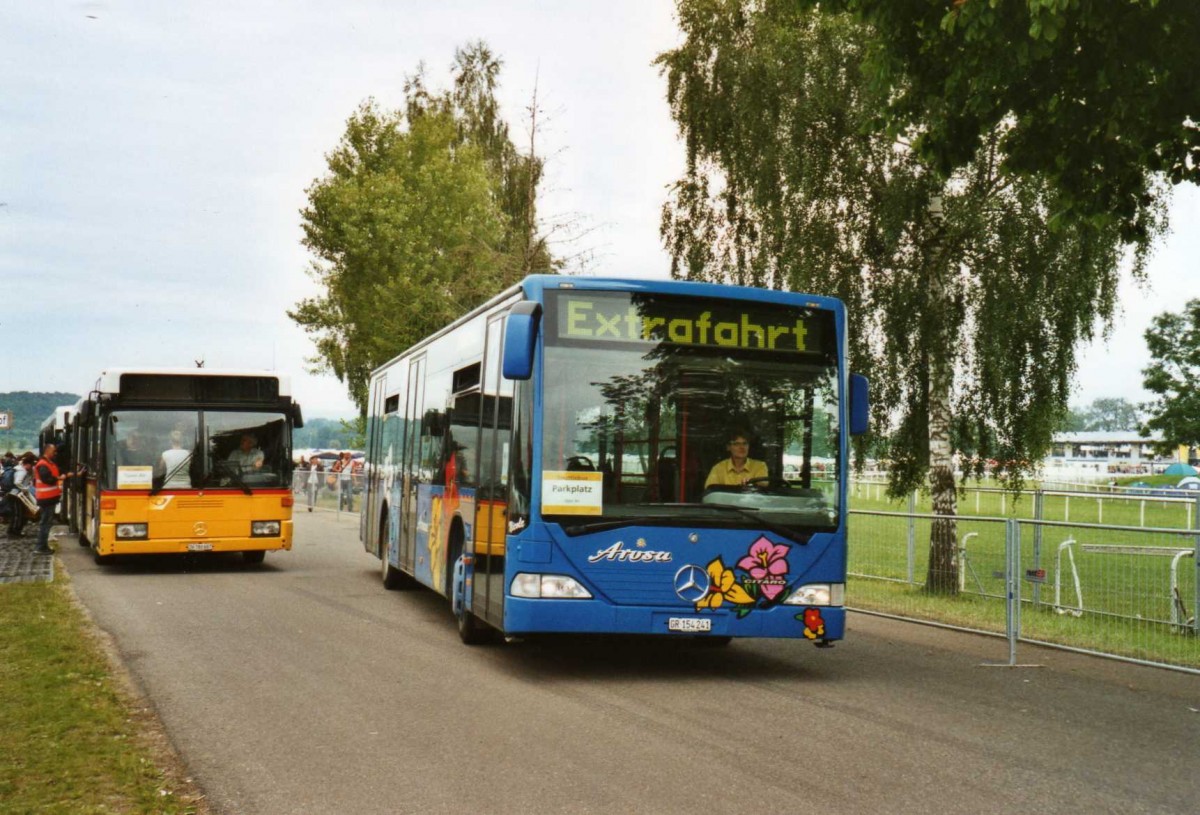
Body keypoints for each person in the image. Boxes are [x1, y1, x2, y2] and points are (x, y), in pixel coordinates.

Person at [33, 443, 74, 555]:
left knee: (46, 523)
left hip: (49, 498)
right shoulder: (43, 465)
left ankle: (42, 546)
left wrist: (68, 474)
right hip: (46, 499)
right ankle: (40, 547)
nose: (55, 453)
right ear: (47, 451)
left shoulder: (49, 464)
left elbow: (58, 471)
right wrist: (59, 478)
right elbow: (47, 479)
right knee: (45, 523)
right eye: (53, 451)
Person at [5, 454, 35, 537]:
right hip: (16, 494)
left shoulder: (17, 469)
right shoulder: (22, 471)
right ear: (28, 464)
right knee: (18, 513)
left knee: (16, 513)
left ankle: (12, 530)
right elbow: (17, 482)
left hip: (13, 494)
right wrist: (24, 489)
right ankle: (14, 531)